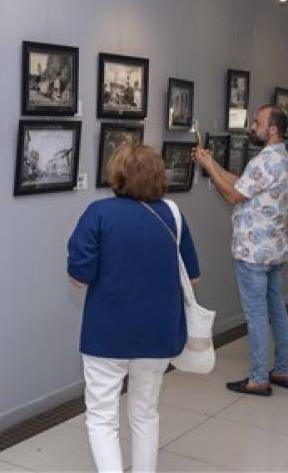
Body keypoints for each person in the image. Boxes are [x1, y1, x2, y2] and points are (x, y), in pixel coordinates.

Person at [67, 144, 201, 472]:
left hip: (106, 336)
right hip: (157, 335)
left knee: (102, 418)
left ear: (117, 175)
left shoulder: (98, 214)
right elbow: (192, 279)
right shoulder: (172, 215)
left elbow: (78, 280)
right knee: (145, 414)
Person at [193, 104, 288, 397]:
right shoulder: (285, 160)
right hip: (274, 250)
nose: (252, 126)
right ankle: (283, 370)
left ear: (272, 128)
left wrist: (209, 167)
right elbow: (242, 184)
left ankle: (259, 378)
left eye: (257, 122)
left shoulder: (263, 161)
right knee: (277, 310)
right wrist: (210, 162)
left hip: (253, 253)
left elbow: (232, 195)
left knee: (257, 315)